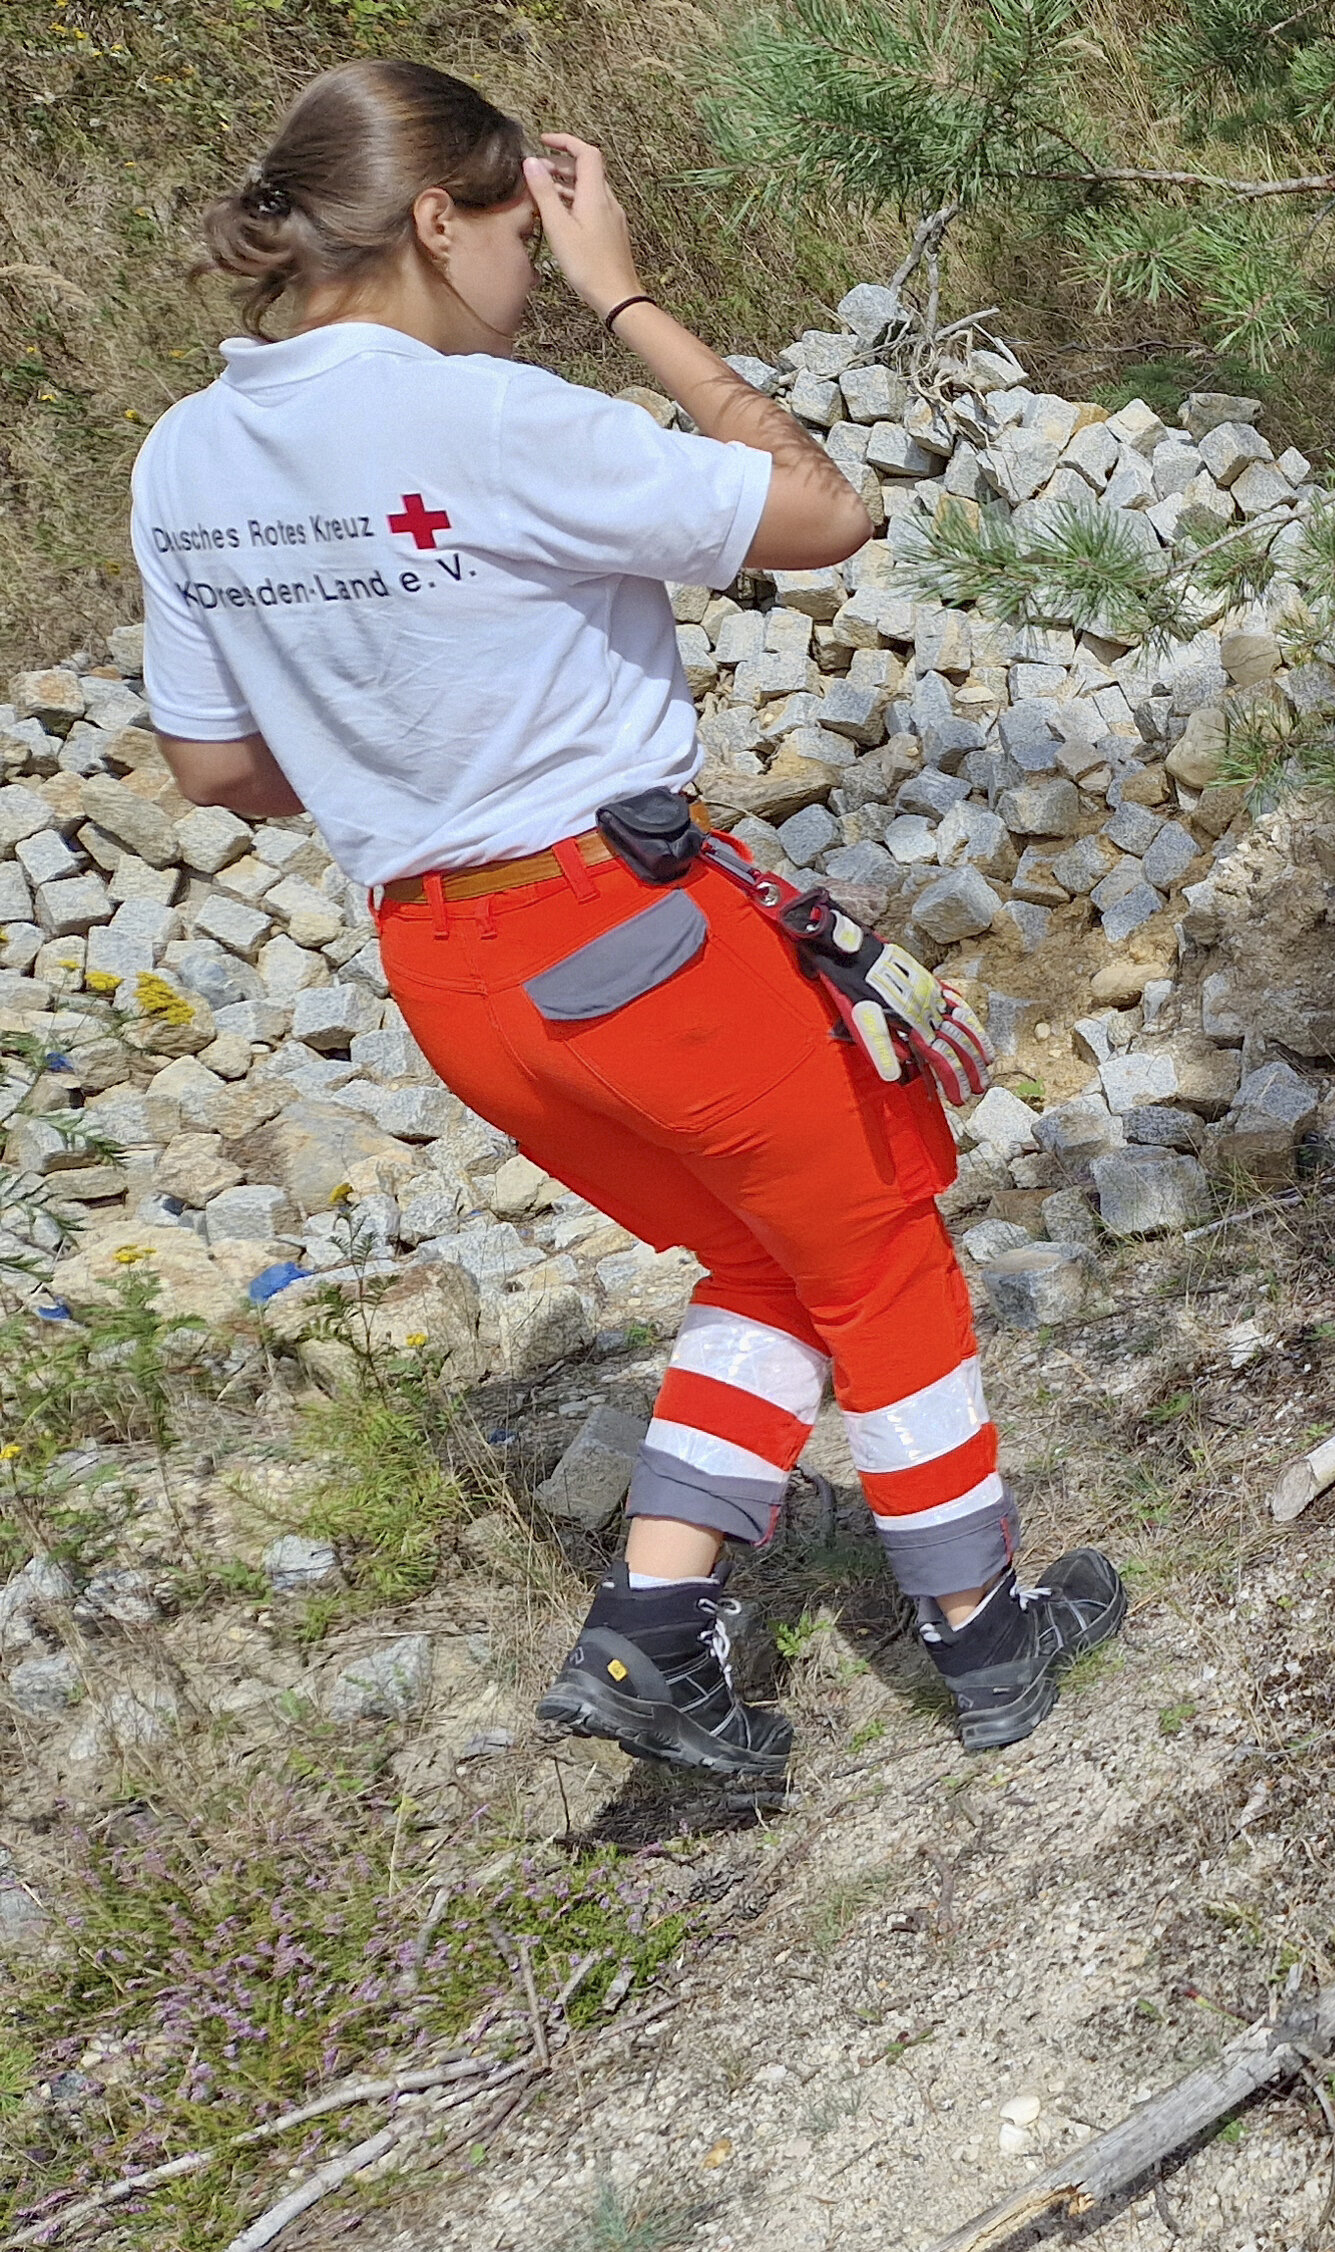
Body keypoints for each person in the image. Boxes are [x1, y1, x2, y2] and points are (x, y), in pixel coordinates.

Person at [132, 63, 1123, 1780]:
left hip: (451, 976)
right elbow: (827, 513)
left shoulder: (188, 453)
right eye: (527, 229)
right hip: (636, 935)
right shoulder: (494, 417)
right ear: (442, 218)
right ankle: (982, 1633)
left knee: (762, 1254)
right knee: (875, 1238)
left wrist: (393, 751)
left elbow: (215, 763)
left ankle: (655, 1639)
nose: (533, 267)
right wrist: (629, 294)